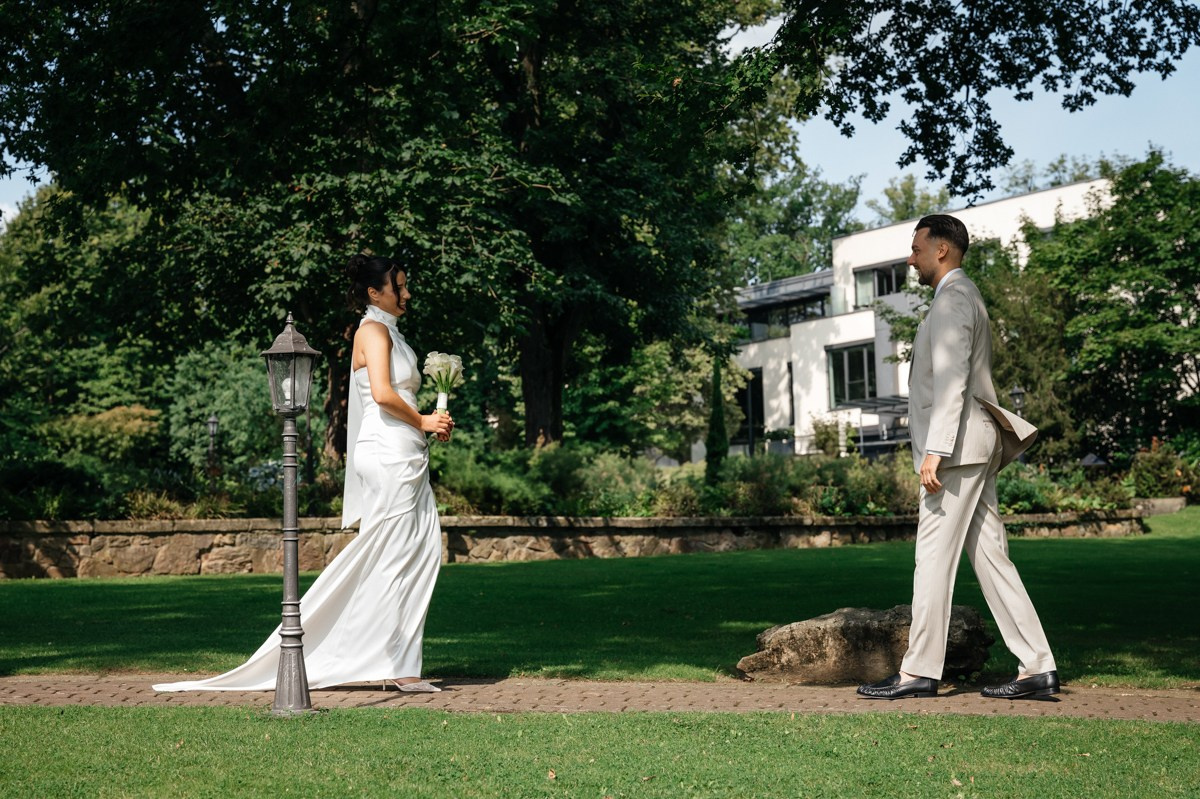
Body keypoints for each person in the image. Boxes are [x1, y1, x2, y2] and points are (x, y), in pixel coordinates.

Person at [154, 254, 453, 693]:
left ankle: (401, 662)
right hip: (388, 453)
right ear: (375, 293)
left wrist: (431, 419)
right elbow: (385, 395)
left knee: (415, 553)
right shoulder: (372, 331)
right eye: (399, 287)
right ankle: (377, 659)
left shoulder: (390, 333)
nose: (407, 293)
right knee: (392, 556)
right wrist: (424, 420)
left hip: (404, 451)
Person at [857, 215, 1058, 701]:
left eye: (915, 248)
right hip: (971, 446)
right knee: (991, 560)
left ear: (941, 249)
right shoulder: (960, 297)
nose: (911, 258)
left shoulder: (952, 298)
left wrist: (935, 451)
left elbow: (953, 382)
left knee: (931, 559)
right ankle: (1037, 665)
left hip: (958, 451)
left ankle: (918, 672)